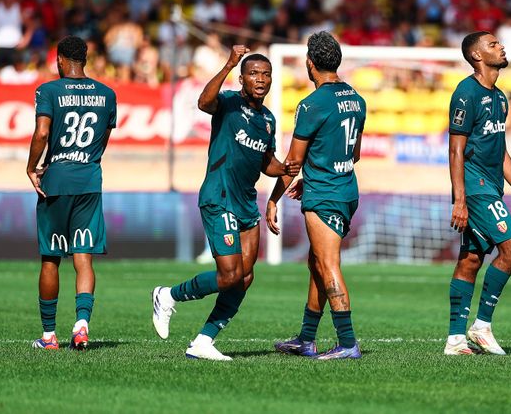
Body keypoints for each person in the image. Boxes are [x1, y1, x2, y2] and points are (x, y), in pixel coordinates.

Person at [151, 45, 288, 360]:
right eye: (253, 73)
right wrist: (229, 62)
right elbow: (203, 102)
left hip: (246, 203)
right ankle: (167, 295)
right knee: (228, 275)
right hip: (219, 196)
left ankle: (203, 341)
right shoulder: (227, 103)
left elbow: (266, 161)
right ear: (242, 79)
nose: (261, 79)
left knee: (245, 275)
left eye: (266, 74)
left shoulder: (267, 119)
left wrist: (283, 169)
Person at [266, 31, 367, 360]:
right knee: (316, 264)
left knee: (327, 264)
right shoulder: (357, 99)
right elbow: (355, 155)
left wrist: (273, 199)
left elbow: (292, 163)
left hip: (325, 193)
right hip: (346, 188)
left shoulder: (311, 105)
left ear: (310, 64)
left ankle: (348, 342)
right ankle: (306, 339)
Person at [445, 31, 511, 356]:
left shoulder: (499, 98)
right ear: (477, 56)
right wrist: (460, 199)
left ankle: (455, 340)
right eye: (493, 44)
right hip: (475, 189)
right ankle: (481, 325)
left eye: (500, 43)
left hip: (492, 185)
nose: (501, 47)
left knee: (471, 259)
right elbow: (455, 150)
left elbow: (500, 150)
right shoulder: (465, 93)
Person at [27, 36, 117, 350]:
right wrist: (88, 159)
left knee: (51, 258)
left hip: (57, 180)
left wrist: (31, 166)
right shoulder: (107, 94)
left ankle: (49, 336)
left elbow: (41, 132)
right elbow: (103, 138)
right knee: (84, 256)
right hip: (90, 180)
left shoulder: (49, 90)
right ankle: (81, 325)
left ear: (61, 60)